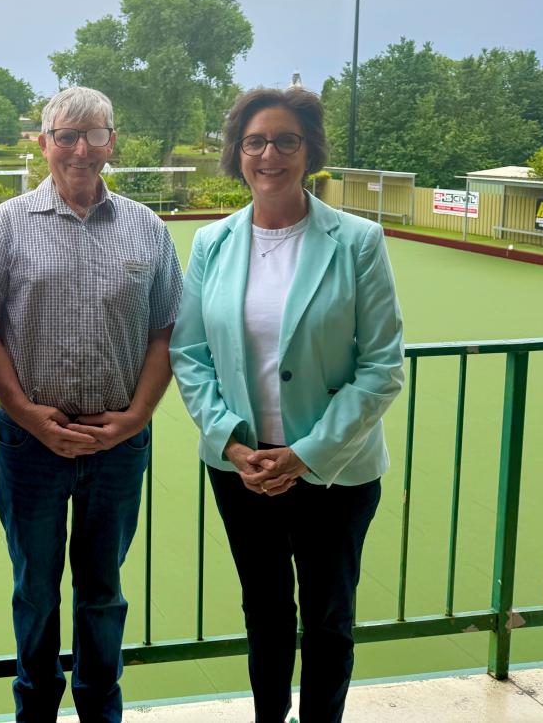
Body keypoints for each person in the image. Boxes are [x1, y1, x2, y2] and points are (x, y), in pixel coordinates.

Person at [169, 87, 404, 723]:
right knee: (265, 611)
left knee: (328, 617)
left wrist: (306, 455)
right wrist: (233, 444)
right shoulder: (212, 244)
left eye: (285, 140)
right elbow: (190, 354)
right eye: (254, 141)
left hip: (335, 474)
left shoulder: (357, 242)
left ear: (309, 151)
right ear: (237, 153)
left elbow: (383, 366)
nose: (268, 154)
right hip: (242, 470)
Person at [0, 86, 182, 722]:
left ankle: (99, 708)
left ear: (112, 142)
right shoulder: (7, 223)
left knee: (103, 592)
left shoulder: (146, 227)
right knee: (34, 591)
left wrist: (137, 418)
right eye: (67, 135)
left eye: (95, 135)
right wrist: (28, 413)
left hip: (118, 445)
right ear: (44, 143)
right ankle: (35, 709)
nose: (81, 149)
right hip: (30, 442)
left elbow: (166, 331)